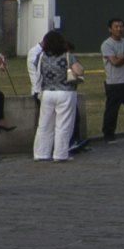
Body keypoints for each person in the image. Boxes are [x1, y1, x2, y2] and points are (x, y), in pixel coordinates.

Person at [32, 28, 80, 161]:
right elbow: (78, 71)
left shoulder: (41, 56)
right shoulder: (68, 56)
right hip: (66, 92)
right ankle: (60, 154)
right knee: (63, 125)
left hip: (47, 92)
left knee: (44, 124)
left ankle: (41, 153)